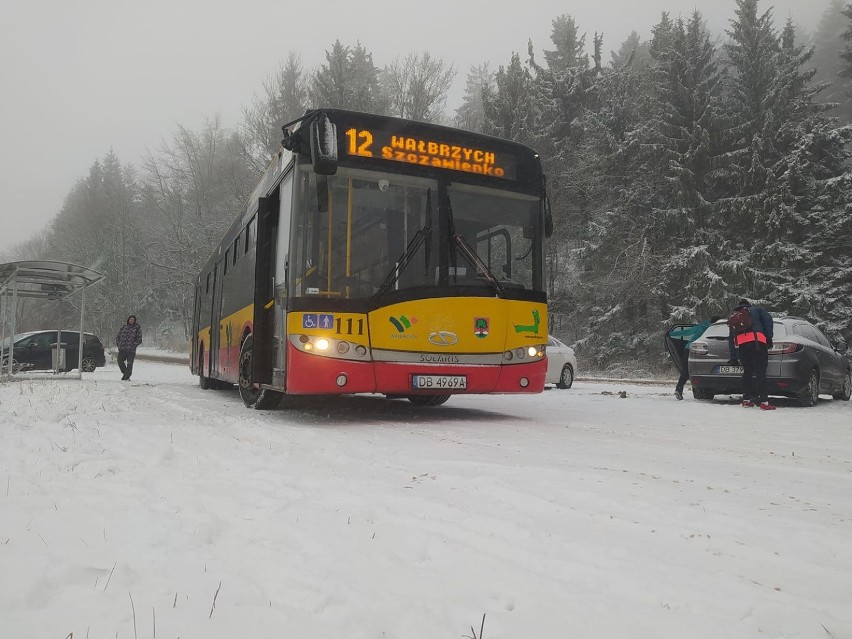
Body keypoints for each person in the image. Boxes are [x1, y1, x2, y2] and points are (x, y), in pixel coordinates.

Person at [727, 299, 774, 410]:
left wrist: (733, 356)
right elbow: (768, 321)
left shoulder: (735, 317)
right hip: (757, 344)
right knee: (760, 372)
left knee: (747, 372)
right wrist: (769, 337)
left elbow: (731, 339)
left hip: (742, 346)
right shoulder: (757, 310)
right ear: (748, 305)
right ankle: (764, 402)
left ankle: (746, 400)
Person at [670, 316, 721, 400]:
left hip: (689, 348)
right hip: (706, 349)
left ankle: (679, 389)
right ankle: (703, 388)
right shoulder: (715, 329)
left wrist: (671, 334)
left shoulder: (700, 326)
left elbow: (686, 332)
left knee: (686, 371)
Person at [116, 315, 143, 381]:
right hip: (122, 348)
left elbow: (139, 340)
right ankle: (126, 374)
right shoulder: (124, 327)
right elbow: (118, 336)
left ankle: (126, 377)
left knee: (129, 364)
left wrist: (133, 345)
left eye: (133, 320)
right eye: (130, 319)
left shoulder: (137, 329)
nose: (131, 321)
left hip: (131, 350)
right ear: (128, 320)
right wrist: (119, 344)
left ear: (135, 321)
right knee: (120, 361)